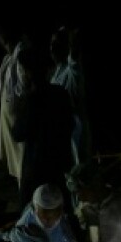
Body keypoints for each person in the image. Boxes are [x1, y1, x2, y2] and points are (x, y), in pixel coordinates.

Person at [12, 42, 76, 209]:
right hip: (58, 167)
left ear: (27, 72)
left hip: (35, 171)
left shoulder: (30, 100)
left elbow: (18, 133)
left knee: (31, 214)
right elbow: (70, 125)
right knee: (61, 211)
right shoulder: (60, 94)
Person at [49, 25, 91, 168]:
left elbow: (74, 58)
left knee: (77, 178)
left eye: (56, 44)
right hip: (61, 133)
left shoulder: (72, 70)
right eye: (51, 44)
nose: (52, 48)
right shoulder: (55, 74)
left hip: (74, 132)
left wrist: (73, 41)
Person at [0, 25, 29, 182]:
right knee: (16, 162)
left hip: (18, 117)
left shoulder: (21, 55)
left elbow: (23, 86)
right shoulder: (9, 58)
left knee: (22, 160)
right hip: (10, 117)